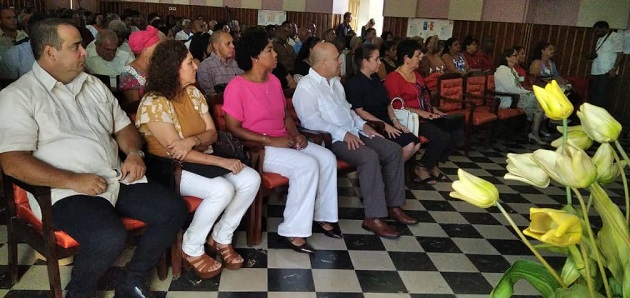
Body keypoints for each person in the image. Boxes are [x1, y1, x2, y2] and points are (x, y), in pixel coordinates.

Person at [0, 18, 187, 298]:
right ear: (50, 52)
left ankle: (132, 280)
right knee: (108, 237)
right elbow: (12, 161)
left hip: (113, 178)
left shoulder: (93, 86)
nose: (85, 52)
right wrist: (74, 180)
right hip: (64, 191)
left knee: (173, 208)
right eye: (76, 46)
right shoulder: (19, 96)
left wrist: (134, 153)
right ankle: (79, 293)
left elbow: (125, 129)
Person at [136, 39, 260, 279]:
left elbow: (212, 133)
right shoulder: (154, 102)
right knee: (222, 189)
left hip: (201, 158)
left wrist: (192, 140)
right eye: (190, 62)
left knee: (250, 178)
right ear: (173, 68)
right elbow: (176, 153)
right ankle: (191, 247)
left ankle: (221, 237)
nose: (196, 66)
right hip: (171, 170)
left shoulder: (192, 92)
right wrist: (221, 162)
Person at [223, 28, 341, 254]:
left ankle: (322, 216)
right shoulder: (237, 86)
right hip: (258, 148)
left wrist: (295, 134)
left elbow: (284, 115)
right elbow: (233, 128)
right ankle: (292, 230)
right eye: (269, 50)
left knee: (326, 157)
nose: (275, 54)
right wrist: (270, 140)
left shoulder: (274, 81)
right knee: (306, 165)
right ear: (254, 57)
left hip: (283, 142)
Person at [294, 41, 419, 240]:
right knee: (369, 157)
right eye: (336, 59)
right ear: (324, 62)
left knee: (393, 150)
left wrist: (364, 126)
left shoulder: (335, 83)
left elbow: (349, 112)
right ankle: (373, 217)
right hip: (331, 140)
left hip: (353, 131)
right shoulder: (306, 87)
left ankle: (394, 205)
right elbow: (311, 121)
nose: (340, 62)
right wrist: (343, 134)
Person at [384, 40, 464, 185]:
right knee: (442, 136)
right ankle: (422, 167)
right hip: (411, 119)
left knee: (457, 132)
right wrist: (421, 113)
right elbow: (395, 106)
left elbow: (424, 97)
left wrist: (434, 110)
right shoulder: (393, 78)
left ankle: (432, 163)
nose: (420, 58)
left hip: (426, 115)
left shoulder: (417, 75)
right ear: (407, 58)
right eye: (417, 55)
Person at [347, 44, 421, 164]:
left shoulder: (375, 78)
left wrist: (395, 121)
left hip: (386, 120)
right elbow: (359, 111)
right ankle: (390, 172)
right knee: (408, 146)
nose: (379, 63)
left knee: (416, 143)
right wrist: (385, 125)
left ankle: (390, 170)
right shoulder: (355, 83)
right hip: (374, 125)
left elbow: (387, 103)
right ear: (365, 62)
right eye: (376, 59)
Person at [494, 48, 546, 144]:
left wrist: (527, 91)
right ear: (507, 58)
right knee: (539, 104)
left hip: (516, 95)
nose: (517, 57)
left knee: (541, 101)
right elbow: (510, 88)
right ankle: (534, 132)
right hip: (508, 98)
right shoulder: (501, 70)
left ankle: (534, 132)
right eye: (514, 55)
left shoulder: (512, 69)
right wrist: (526, 93)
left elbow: (518, 86)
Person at [529, 42, 582, 121]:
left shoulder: (551, 63)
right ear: (542, 51)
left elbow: (555, 75)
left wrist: (563, 81)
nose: (552, 51)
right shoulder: (537, 63)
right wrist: (550, 81)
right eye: (550, 49)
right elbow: (533, 78)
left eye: (553, 49)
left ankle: (560, 118)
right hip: (542, 85)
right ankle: (555, 119)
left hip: (551, 84)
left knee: (573, 94)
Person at [119, 25, 162, 105]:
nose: (159, 50)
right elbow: (134, 105)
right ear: (145, 49)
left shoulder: (156, 67)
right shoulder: (129, 73)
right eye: (156, 47)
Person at [589, 21, 623, 111]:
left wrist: (614, 69)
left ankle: (600, 117)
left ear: (604, 29)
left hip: (606, 71)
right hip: (596, 70)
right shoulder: (600, 38)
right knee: (594, 95)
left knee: (601, 96)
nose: (596, 33)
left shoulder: (615, 36)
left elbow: (620, 54)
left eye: (598, 31)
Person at [0, 13, 45, 79]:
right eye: (8, 18)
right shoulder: (13, 55)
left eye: (14, 17)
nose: (13, 20)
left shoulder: (23, 36)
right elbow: (9, 86)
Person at [197, 30, 243, 95]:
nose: (233, 46)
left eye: (232, 43)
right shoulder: (205, 67)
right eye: (228, 44)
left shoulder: (236, 64)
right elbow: (210, 97)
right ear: (216, 46)